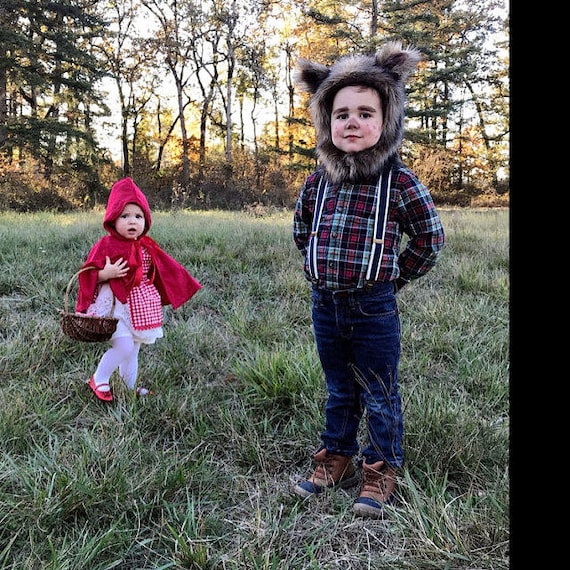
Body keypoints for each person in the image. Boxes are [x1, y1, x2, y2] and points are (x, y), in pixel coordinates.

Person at [292, 42, 445, 518]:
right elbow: (302, 229)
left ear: (387, 120)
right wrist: (318, 266)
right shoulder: (319, 181)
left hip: (374, 306)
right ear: (326, 122)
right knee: (339, 386)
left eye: (365, 112)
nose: (352, 122)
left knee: (379, 389)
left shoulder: (397, 181)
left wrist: (394, 279)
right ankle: (335, 454)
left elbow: (429, 237)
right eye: (340, 114)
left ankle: (380, 468)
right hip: (326, 304)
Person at [76, 177, 202, 402]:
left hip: (139, 307)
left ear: (146, 220)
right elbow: (87, 274)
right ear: (113, 220)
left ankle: (128, 388)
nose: (132, 221)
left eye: (138, 216)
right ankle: (99, 378)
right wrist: (106, 274)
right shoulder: (106, 245)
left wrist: (182, 285)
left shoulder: (147, 245)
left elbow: (167, 269)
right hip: (114, 306)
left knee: (133, 349)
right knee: (123, 345)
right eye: (124, 216)